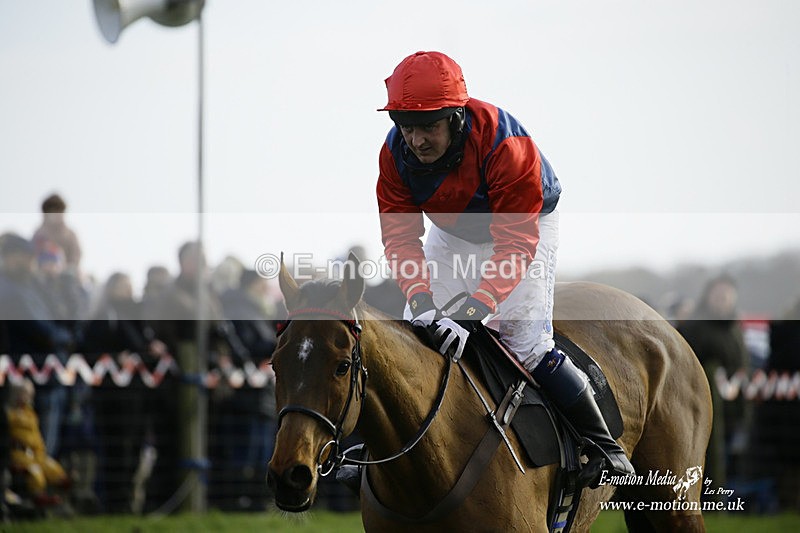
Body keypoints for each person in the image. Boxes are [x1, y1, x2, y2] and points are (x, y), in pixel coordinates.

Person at [376, 51, 634, 484]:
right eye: (407, 126)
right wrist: (420, 301)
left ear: (456, 117)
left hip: (520, 225)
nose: (416, 140)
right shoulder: (393, 153)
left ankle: (606, 449)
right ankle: (380, 451)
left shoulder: (506, 146)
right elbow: (399, 238)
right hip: (454, 229)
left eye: (428, 126)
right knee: (416, 330)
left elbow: (514, 245)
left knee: (526, 341)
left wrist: (472, 313)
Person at [679, 274, 749, 499]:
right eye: (718, 295)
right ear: (708, 296)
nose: (723, 299)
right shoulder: (694, 327)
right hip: (699, 408)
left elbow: (741, 364)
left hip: (732, 407)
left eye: (727, 295)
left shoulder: (734, 328)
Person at [5, 379, 70, 507]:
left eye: (30, 394)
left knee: (50, 465)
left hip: (35, 454)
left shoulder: (31, 414)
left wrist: (40, 452)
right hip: (19, 454)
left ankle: (63, 485)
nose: (29, 397)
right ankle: (39, 497)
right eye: (25, 394)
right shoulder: (9, 414)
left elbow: (37, 438)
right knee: (35, 472)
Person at [31, 193, 82, 274]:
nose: (58, 214)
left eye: (60, 211)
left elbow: (76, 257)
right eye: (54, 211)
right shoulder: (39, 234)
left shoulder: (70, 235)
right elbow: (33, 257)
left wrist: (67, 269)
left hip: (66, 276)